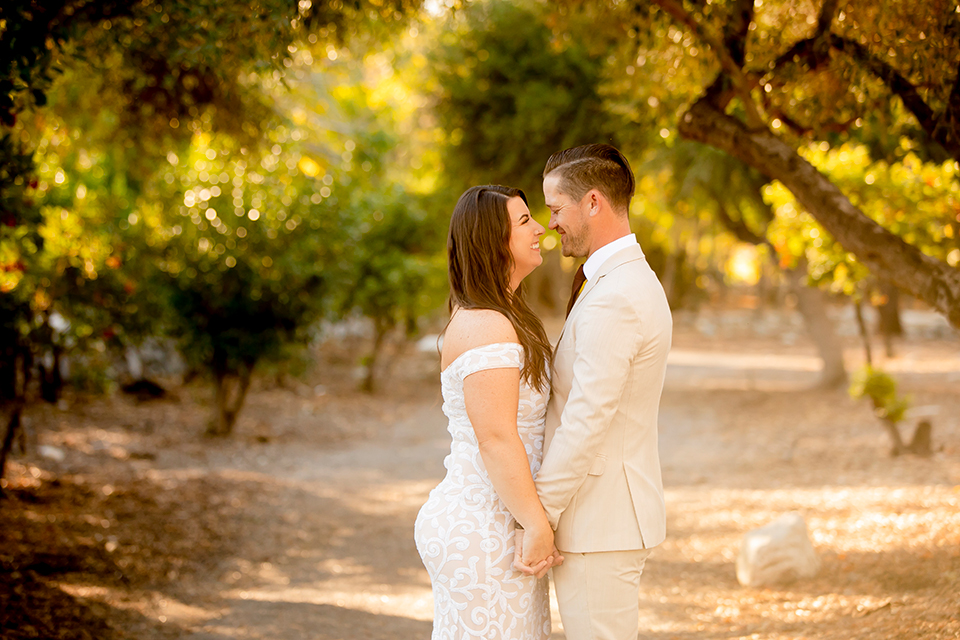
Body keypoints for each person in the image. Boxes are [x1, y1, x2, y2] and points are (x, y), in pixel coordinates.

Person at [515, 144, 672, 640]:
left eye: (556, 209)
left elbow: (586, 417)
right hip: (602, 519)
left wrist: (540, 515)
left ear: (594, 203)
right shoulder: (616, 282)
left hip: (598, 520)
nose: (551, 223)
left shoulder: (618, 295)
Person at [415, 185, 563, 640]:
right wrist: (536, 524)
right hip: (484, 530)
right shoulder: (486, 325)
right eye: (524, 222)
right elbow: (496, 438)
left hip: (502, 521)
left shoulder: (504, 314)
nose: (540, 228)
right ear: (492, 242)